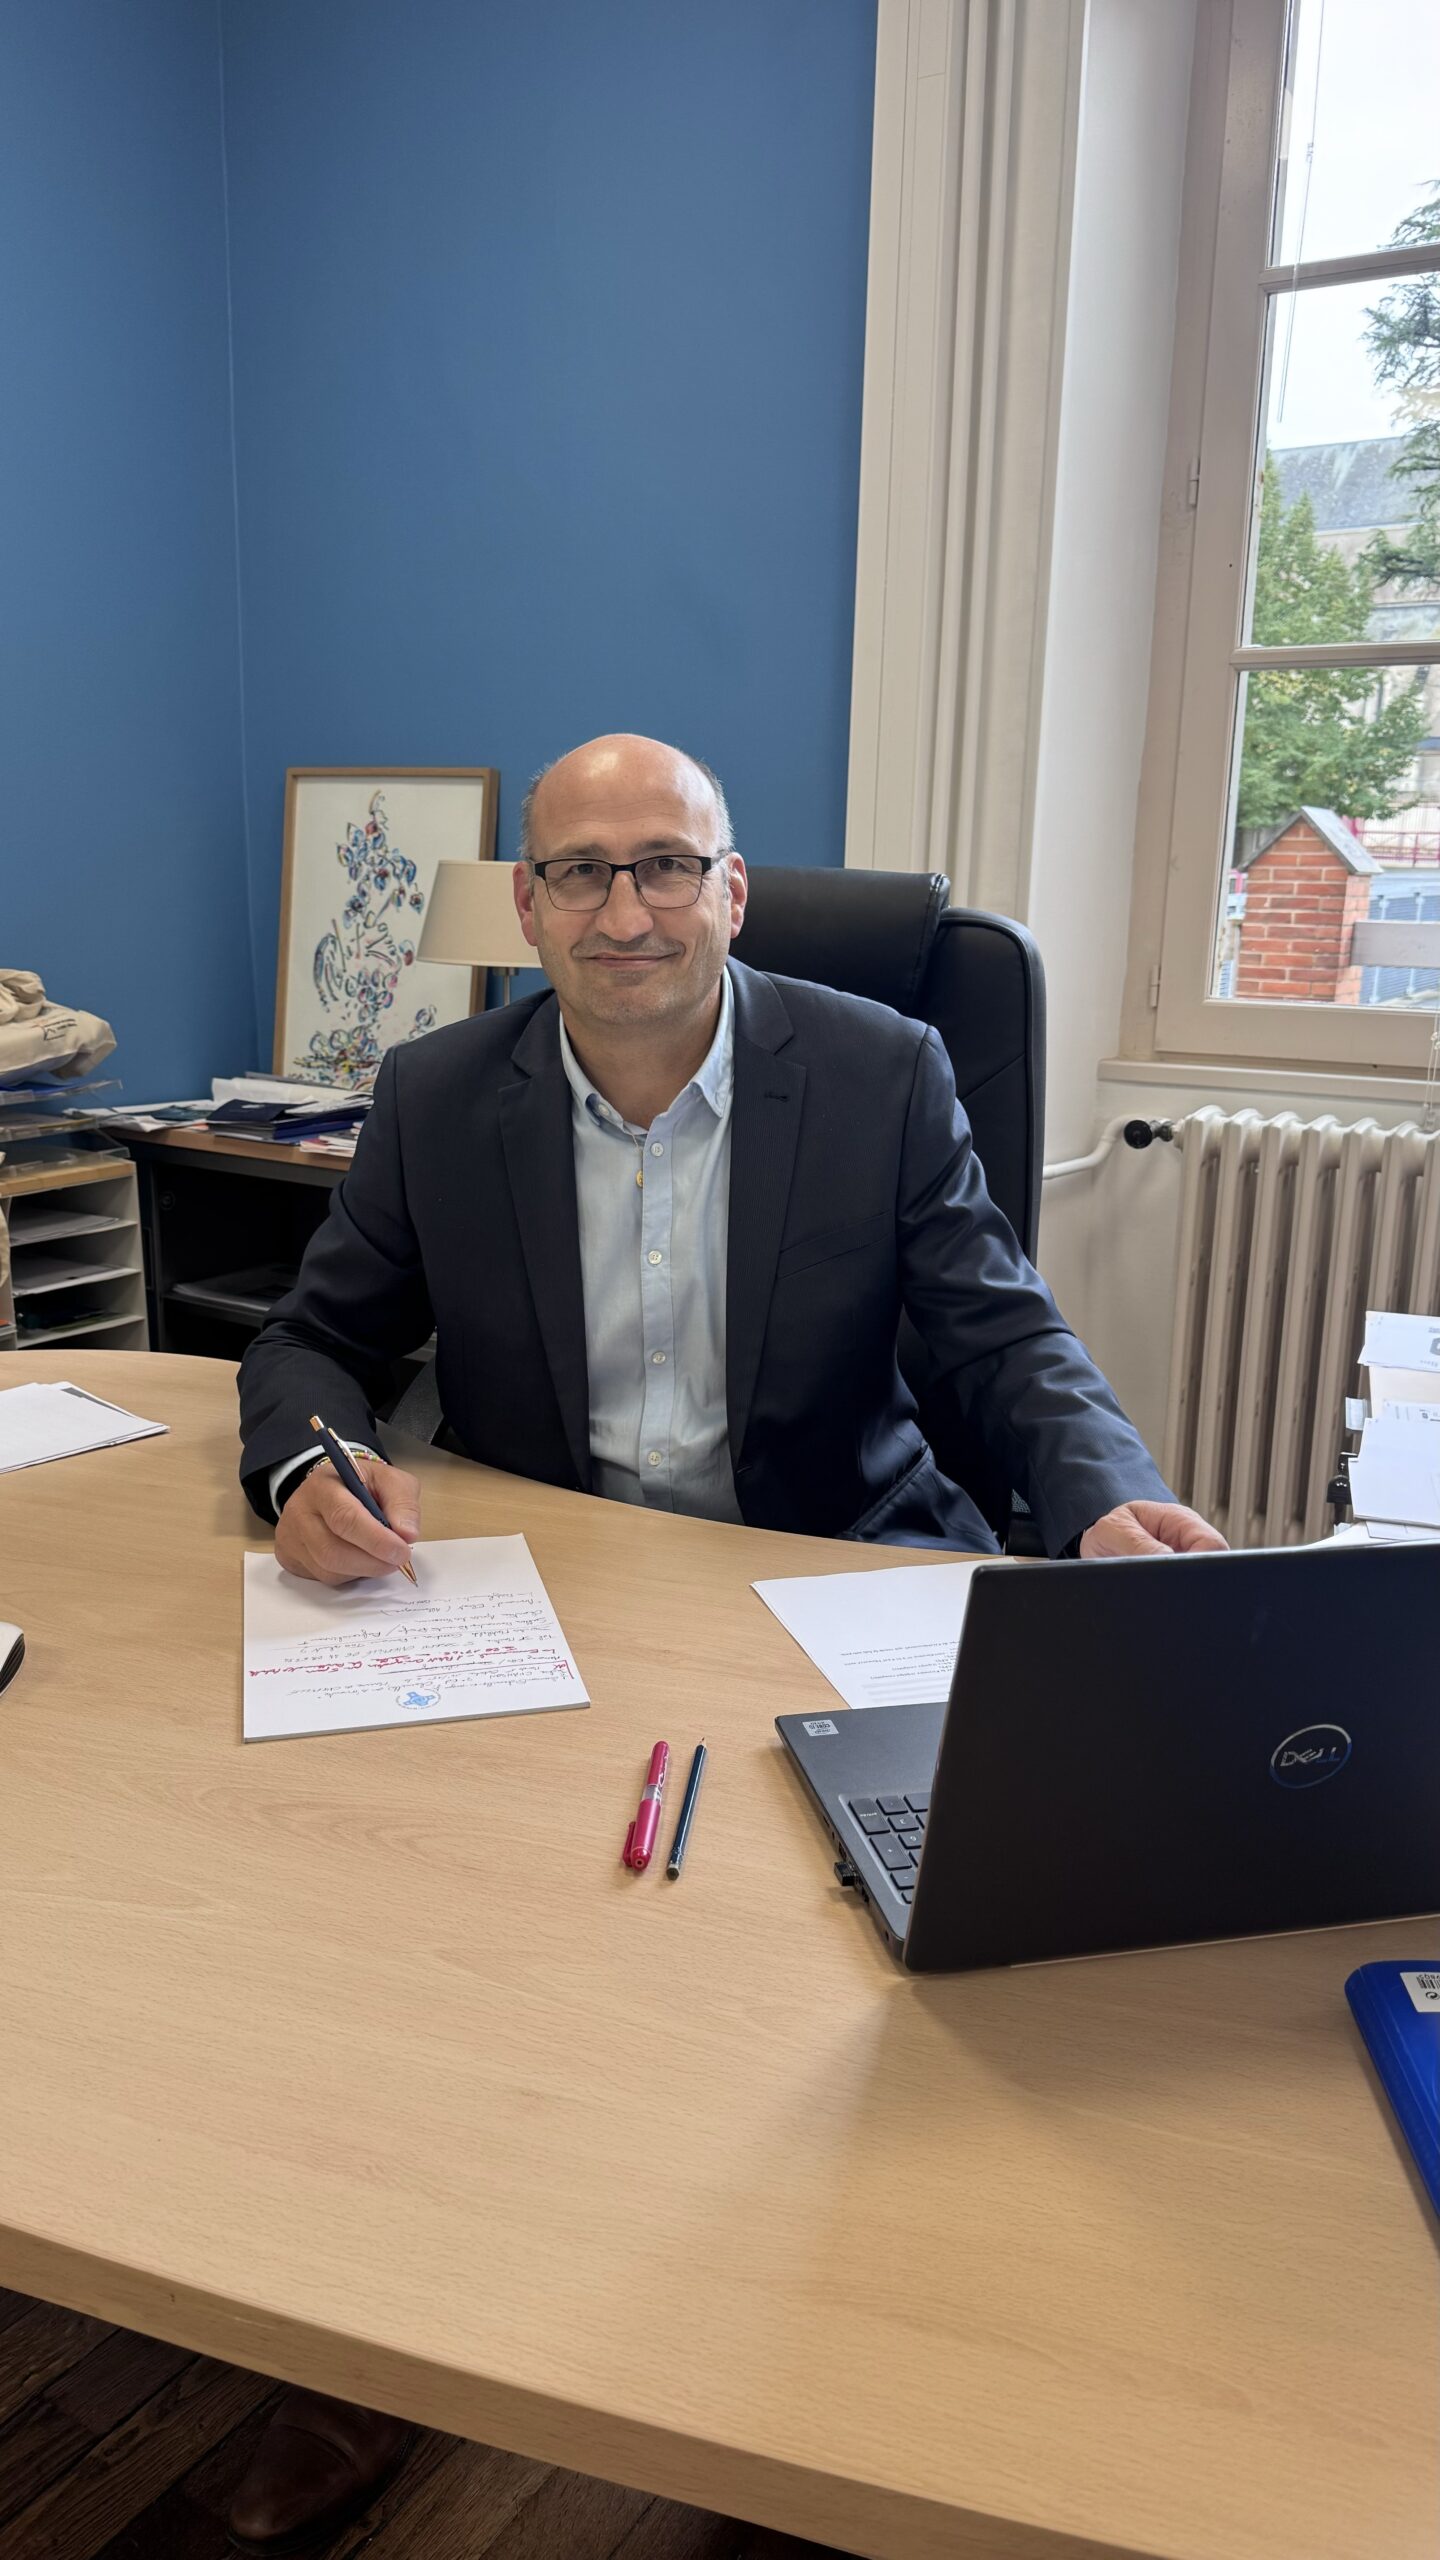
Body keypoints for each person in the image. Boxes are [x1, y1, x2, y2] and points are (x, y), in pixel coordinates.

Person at [230, 733, 1224, 2550]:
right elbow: (316, 1339)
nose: (628, 909)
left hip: (832, 1569)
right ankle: (369, 2348)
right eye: (584, 873)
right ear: (525, 905)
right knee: (414, 1948)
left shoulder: (877, 1067)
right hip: (565, 1594)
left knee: (901, 1982)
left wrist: (1098, 1500)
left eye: (666, 865)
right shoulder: (442, 1091)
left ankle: (839, 2379)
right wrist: (305, 1452)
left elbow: (1002, 1339)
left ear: (733, 890)